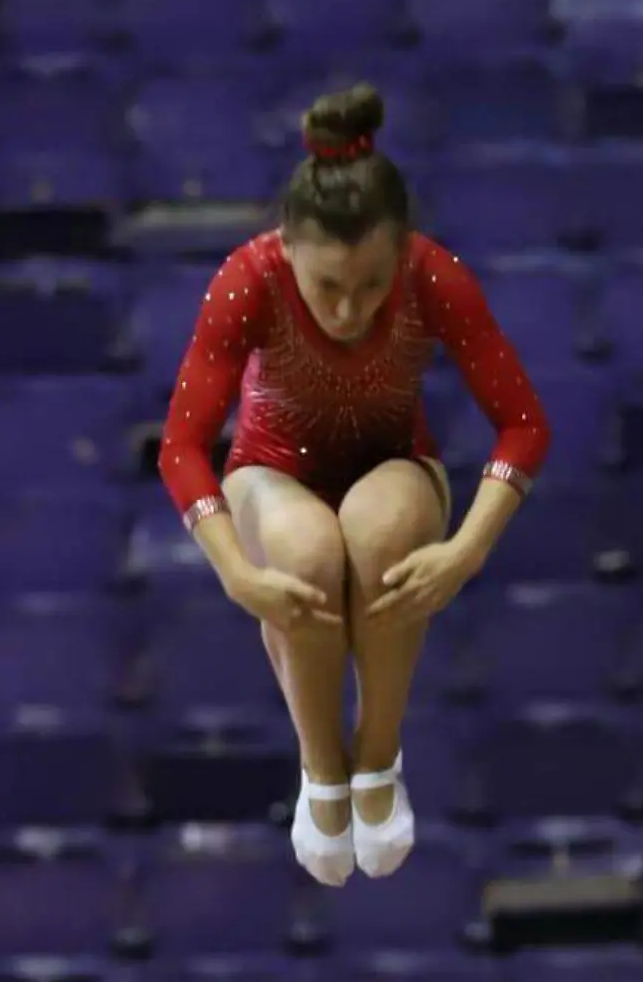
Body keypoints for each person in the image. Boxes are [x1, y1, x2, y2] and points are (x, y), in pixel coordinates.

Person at [156, 85, 550, 886]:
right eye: (327, 285)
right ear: (288, 250)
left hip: (393, 463)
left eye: (372, 285)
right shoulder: (247, 279)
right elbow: (182, 446)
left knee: (378, 530)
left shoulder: (433, 276)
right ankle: (321, 767)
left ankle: (378, 754)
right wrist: (238, 571)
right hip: (272, 470)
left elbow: (524, 424)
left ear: (402, 251)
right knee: (304, 550)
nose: (348, 309)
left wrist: (467, 552)